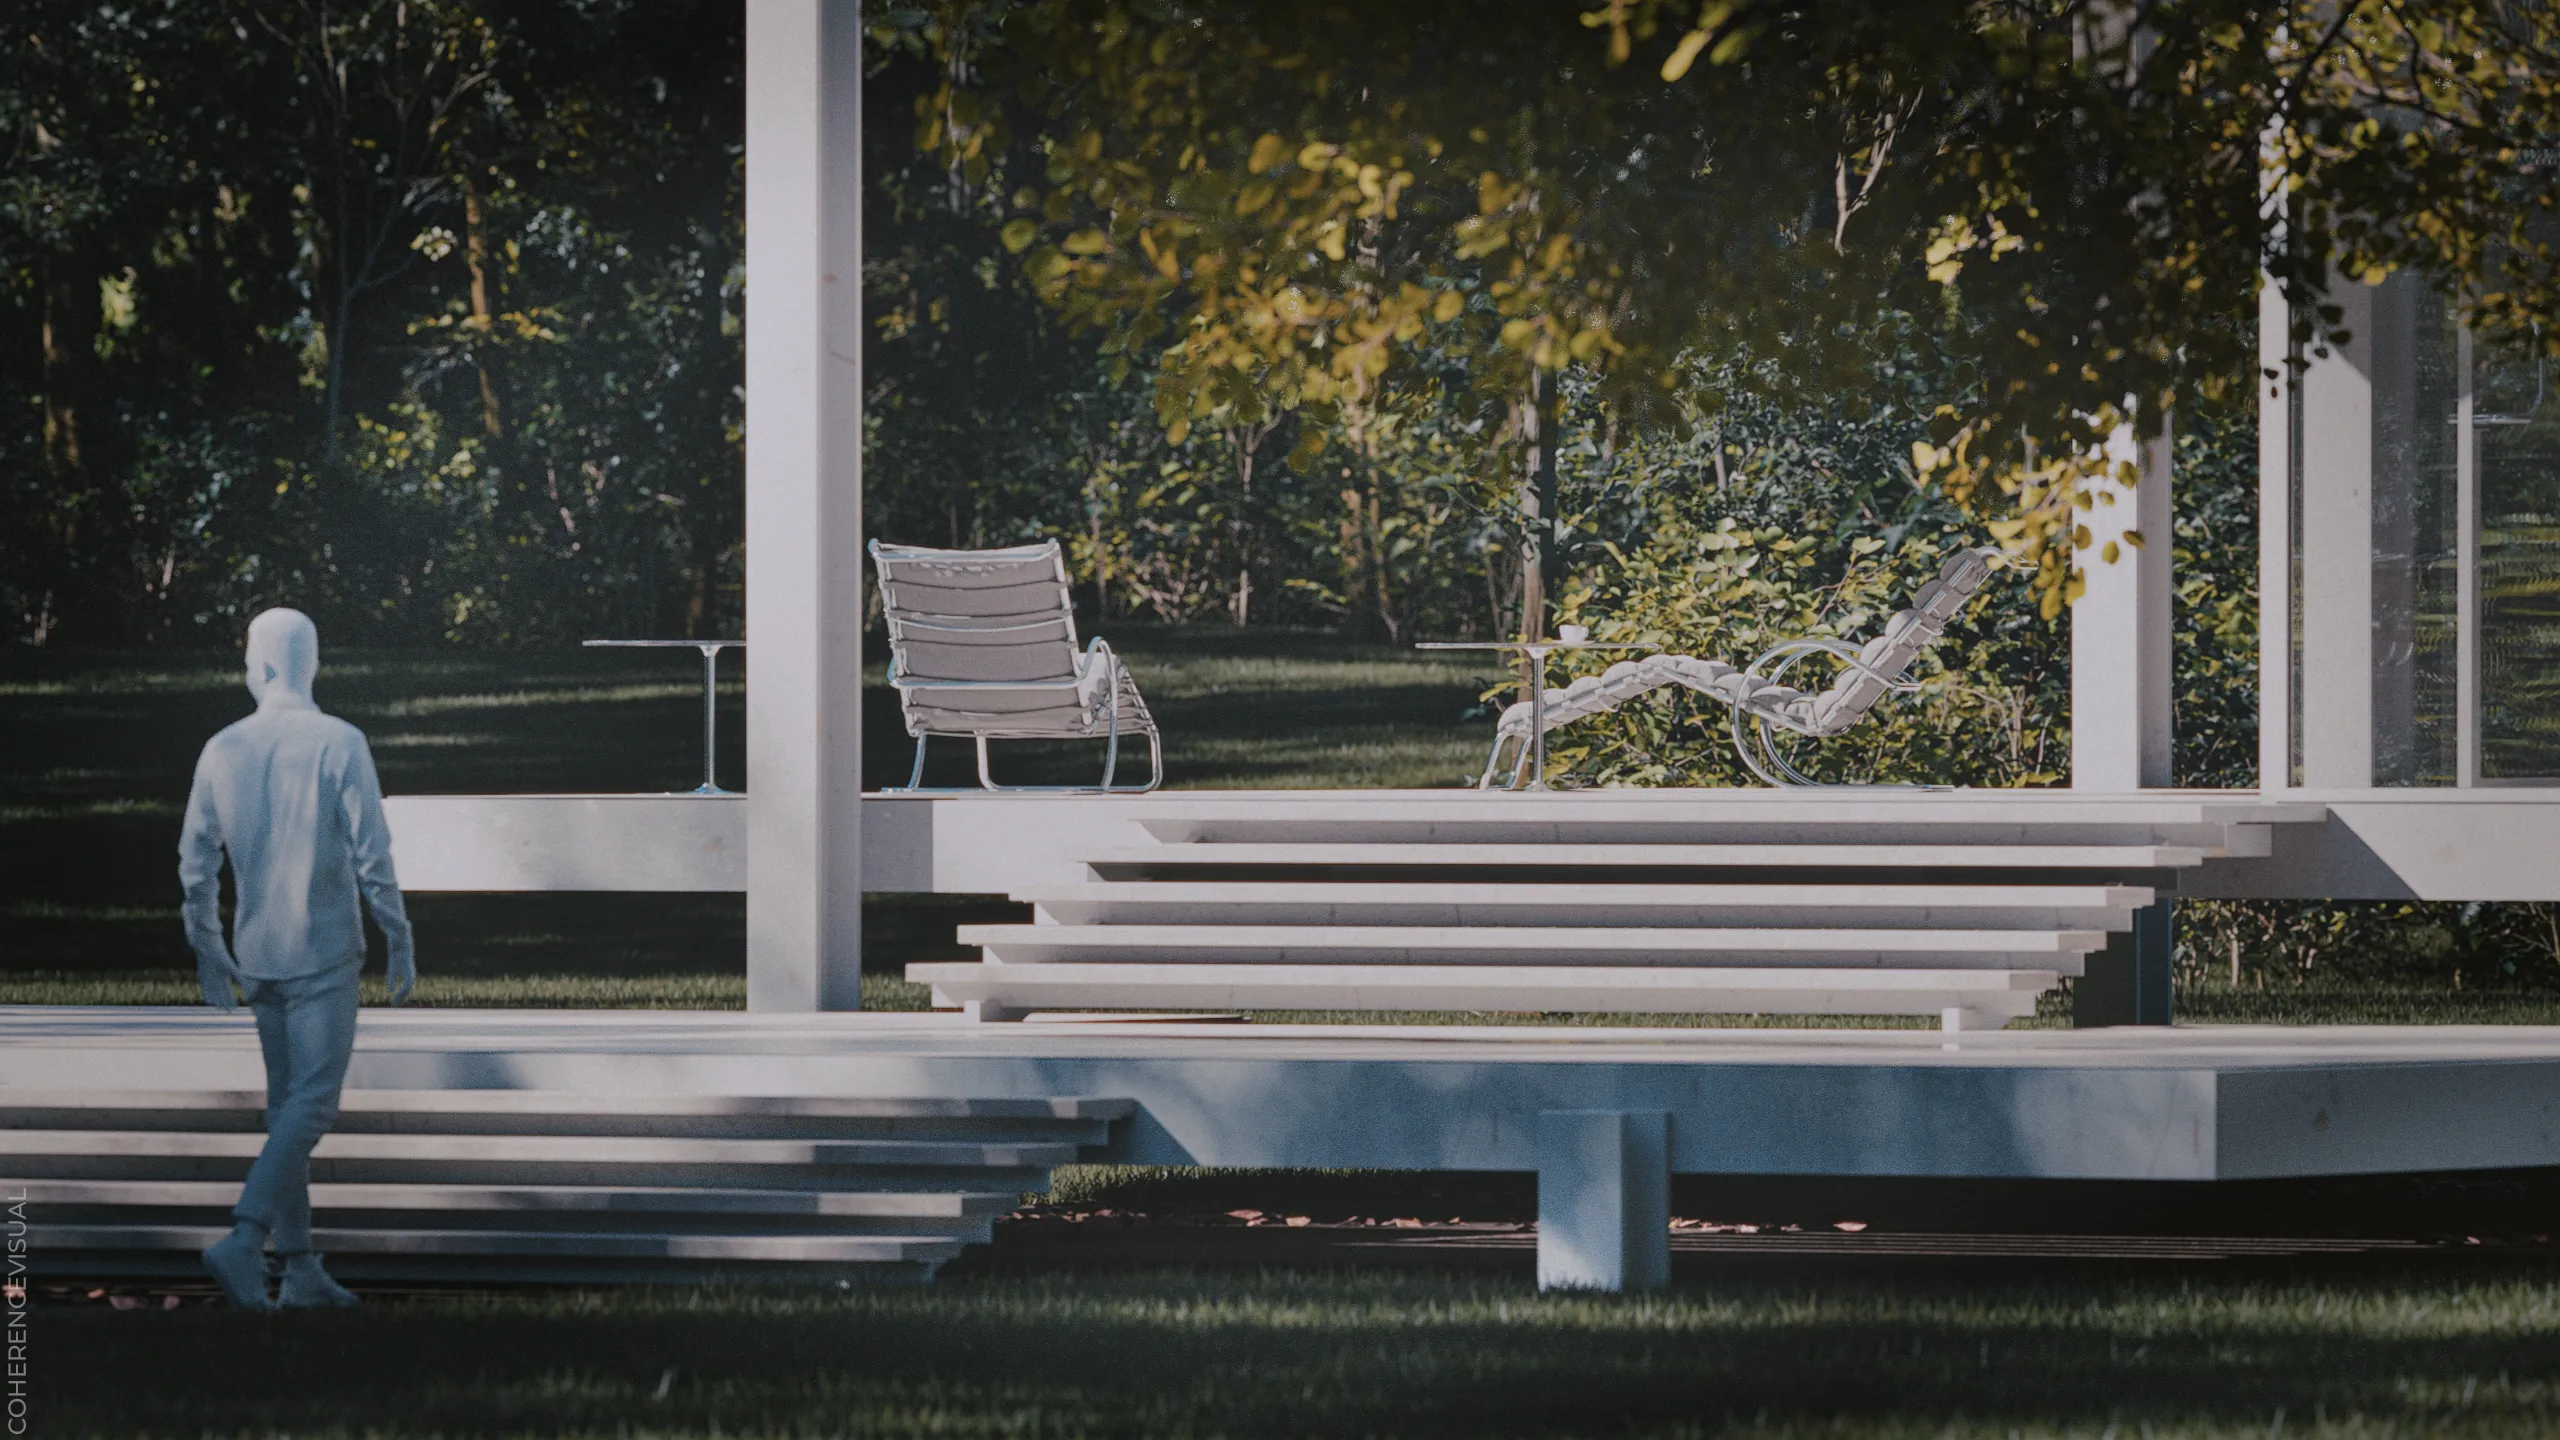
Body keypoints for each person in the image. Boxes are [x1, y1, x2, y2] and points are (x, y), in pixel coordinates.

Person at [179, 608, 416, 1310]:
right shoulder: (340, 742)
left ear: (265, 665)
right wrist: (398, 932)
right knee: (312, 1104)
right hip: (322, 949)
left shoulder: (222, 747)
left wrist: (207, 945)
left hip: (257, 951)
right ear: (310, 662)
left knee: (287, 1106)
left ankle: (302, 1266)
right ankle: (246, 1236)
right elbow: (374, 853)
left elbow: (196, 862)